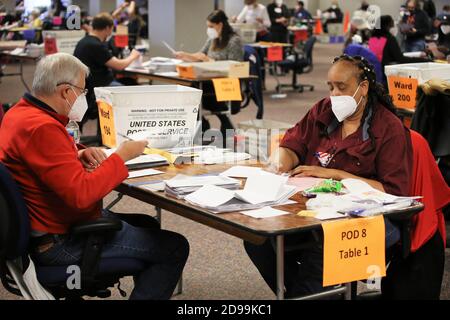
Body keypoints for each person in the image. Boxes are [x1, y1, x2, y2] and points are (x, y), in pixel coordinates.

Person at [0, 53, 189, 300]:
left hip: (44, 227)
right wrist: (121, 156)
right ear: (65, 92)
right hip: (60, 242)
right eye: (81, 90)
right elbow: (82, 195)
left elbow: (36, 160)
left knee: (148, 225)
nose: (83, 96)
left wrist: (76, 153)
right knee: (174, 247)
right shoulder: (43, 128)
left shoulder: (19, 114)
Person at [244, 55, 412, 298]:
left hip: (374, 220)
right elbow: (293, 145)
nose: (334, 94)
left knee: (324, 250)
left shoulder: (388, 128)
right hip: (315, 210)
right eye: (331, 87)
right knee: (259, 240)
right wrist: (279, 162)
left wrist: (334, 175)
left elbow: (393, 193)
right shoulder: (324, 110)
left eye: (342, 87)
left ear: (362, 87)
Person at [175, 10, 244, 142]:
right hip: (209, 80)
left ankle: (203, 124)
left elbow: (235, 67)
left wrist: (209, 61)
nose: (209, 29)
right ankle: (202, 124)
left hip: (226, 84)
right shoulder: (213, 39)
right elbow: (201, 55)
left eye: (211, 26)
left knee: (195, 90)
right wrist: (185, 55)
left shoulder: (234, 41)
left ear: (221, 24)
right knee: (189, 87)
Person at [73, 12, 141, 121]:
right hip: (99, 86)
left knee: (128, 84)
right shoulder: (95, 45)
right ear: (107, 28)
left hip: (89, 87)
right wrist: (133, 56)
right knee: (130, 95)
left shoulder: (83, 42)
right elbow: (119, 66)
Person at [368, 15, 428, 83]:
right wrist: (422, 60)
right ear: (388, 26)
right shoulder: (389, 38)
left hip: (374, 74)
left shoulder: (372, 38)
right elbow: (400, 59)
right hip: (385, 76)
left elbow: (386, 55)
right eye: (392, 25)